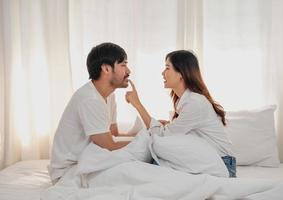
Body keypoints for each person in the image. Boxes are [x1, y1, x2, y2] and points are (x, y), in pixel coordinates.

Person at [125, 50, 236, 177]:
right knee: (154, 161)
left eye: (167, 68)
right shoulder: (186, 101)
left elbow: (163, 136)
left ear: (181, 74)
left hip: (223, 165)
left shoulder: (195, 103)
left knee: (155, 153)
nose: (162, 73)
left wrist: (137, 104)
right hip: (207, 161)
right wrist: (169, 125)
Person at [49, 42, 134, 184]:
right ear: (106, 68)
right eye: (123, 65)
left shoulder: (109, 96)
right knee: (133, 174)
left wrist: (146, 133)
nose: (129, 71)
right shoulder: (90, 99)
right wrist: (148, 142)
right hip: (69, 171)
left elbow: (113, 134)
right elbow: (109, 145)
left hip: (89, 160)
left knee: (136, 166)